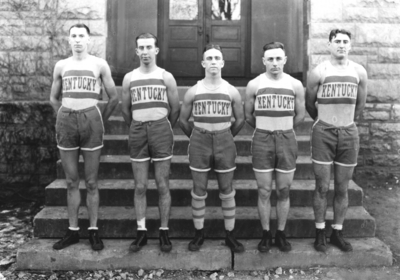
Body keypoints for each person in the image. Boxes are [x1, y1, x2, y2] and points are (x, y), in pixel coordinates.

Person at [49, 23, 119, 251]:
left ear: (89, 40)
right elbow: (53, 98)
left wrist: (99, 119)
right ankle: (72, 231)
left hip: (92, 121)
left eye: (82, 36)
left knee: (91, 181)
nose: (78, 39)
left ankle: (93, 231)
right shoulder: (61, 65)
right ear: (68, 40)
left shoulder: (99, 64)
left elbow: (114, 97)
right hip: (67, 120)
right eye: (74, 36)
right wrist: (64, 116)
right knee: (71, 181)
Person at [306, 29, 368, 253]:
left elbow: (360, 105)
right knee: (322, 186)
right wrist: (324, 123)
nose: (341, 45)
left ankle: (337, 232)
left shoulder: (358, 71)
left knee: (342, 188)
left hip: (348, 133)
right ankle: (320, 232)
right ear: (329, 45)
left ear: (350, 45)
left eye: (345, 41)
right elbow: (309, 104)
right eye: (337, 41)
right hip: (323, 132)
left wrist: (345, 121)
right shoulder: (319, 71)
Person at [179, 44, 245, 253]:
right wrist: (197, 137)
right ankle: (199, 233)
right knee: (199, 189)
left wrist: (225, 136)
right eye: (210, 58)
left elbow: (240, 119)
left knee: (226, 189)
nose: (214, 61)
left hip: (224, 140)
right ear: (203, 63)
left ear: (223, 63)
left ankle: (230, 234)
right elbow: (182, 120)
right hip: (200, 140)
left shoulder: (230, 90)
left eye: (217, 58)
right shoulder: (194, 90)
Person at [121, 33, 180, 253]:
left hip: (161, 129)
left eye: (149, 47)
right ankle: (141, 231)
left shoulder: (166, 76)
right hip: (138, 130)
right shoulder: (130, 78)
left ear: (156, 50)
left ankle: (164, 231)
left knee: (162, 184)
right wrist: (138, 125)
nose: (145, 51)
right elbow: (126, 110)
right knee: (140, 185)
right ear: (136, 51)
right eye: (141, 48)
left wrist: (162, 126)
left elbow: (175, 109)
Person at [244, 42, 305, 252]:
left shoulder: (295, 85)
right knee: (263, 190)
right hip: (262, 138)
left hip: (287, 138)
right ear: (264, 61)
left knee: (284, 189)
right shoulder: (254, 85)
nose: (275, 63)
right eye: (270, 59)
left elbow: (300, 115)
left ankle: (280, 232)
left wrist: (283, 129)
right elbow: (248, 116)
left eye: (279, 58)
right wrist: (266, 128)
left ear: (285, 60)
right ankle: (265, 233)